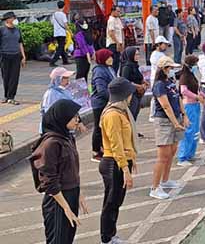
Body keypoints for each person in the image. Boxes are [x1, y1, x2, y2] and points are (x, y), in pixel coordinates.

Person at [30, 99, 87, 244]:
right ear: (61, 119)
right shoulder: (51, 143)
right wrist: (66, 207)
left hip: (70, 194)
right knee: (57, 239)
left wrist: (78, 194)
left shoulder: (67, 137)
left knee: (67, 237)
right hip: (58, 200)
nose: (77, 120)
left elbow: (72, 168)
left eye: (77, 116)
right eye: (73, 117)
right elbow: (49, 179)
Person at [99, 77, 137, 243]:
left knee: (116, 201)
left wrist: (132, 159)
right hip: (113, 162)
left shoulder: (120, 111)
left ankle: (110, 234)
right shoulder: (113, 114)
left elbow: (125, 140)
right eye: (130, 94)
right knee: (111, 202)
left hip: (119, 161)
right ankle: (106, 238)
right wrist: (125, 169)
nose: (131, 97)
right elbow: (116, 144)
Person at [150, 56, 188, 200]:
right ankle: (154, 187)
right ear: (164, 69)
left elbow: (178, 98)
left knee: (172, 151)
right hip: (164, 122)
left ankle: (165, 180)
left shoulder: (170, 81)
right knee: (162, 155)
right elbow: (165, 105)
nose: (172, 71)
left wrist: (184, 115)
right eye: (170, 68)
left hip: (176, 118)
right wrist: (175, 122)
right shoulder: (159, 85)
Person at [177, 55, 205, 165]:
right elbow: (184, 91)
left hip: (195, 105)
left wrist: (200, 94)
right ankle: (182, 157)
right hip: (189, 106)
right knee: (188, 131)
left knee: (194, 131)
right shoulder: (184, 76)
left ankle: (190, 154)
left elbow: (195, 87)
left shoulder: (191, 75)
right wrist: (197, 97)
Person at [91, 49, 117, 162]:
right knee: (98, 127)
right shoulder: (99, 71)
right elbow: (101, 90)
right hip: (100, 103)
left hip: (109, 102)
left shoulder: (109, 68)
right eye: (108, 57)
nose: (111, 59)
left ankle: (105, 148)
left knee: (106, 127)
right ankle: (96, 151)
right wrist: (113, 99)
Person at [0, 11, 26, 105]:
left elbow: (20, 43)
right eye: (13, 18)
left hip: (16, 56)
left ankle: (11, 97)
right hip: (5, 56)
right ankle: (6, 96)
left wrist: (23, 56)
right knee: (5, 77)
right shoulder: (2, 30)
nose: (15, 19)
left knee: (14, 77)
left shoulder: (17, 30)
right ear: (8, 20)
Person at [39, 67, 75, 132]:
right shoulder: (51, 94)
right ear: (58, 79)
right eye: (65, 78)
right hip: (54, 131)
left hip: (64, 129)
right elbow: (50, 115)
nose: (68, 80)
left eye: (68, 78)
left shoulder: (64, 90)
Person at [120, 47, 148, 126]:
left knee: (135, 112)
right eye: (135, 55)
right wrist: (138, 86)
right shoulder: (127, 67)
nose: (137, 56)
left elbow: (138, 76)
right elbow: (125, 81)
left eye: (138, 54)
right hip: (131, 93)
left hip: (138, 93)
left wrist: (144, 82)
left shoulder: (135, 65)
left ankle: (133, 130)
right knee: (131, 113)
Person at [50, 1, 70, 67]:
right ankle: (53, 61)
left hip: (56, 33)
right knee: (60, 48)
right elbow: (65, 24)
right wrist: (69, 31)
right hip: (62, 33)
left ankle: (65, 60)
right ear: (64, 6)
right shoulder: (63, 14)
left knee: (61, 46)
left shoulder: (54, 14)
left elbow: (52, 23)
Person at [106, 6, 124, 73]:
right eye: (118, 11)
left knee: (117, 62)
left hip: (119, 43)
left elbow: (121, 30)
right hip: (113, 43)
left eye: (119, 11)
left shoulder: (118, 19)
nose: (119, 13)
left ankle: (115, 75)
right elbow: (111, 33)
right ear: (113, 11)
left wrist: (122, 42)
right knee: (113, 62)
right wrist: (117, 42)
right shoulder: (111, 20)